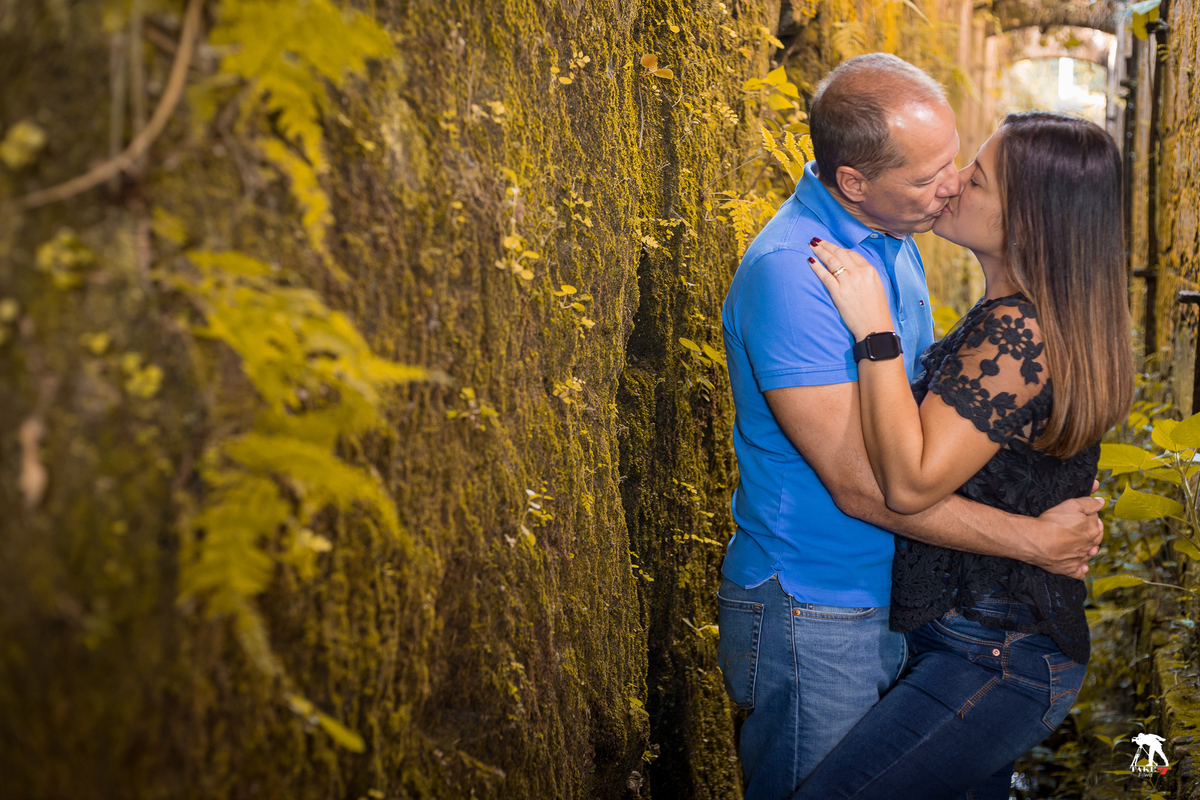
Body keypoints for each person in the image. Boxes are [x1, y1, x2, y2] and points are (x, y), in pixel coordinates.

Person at [716, 54, 1106, 800]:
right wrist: (1037, 540)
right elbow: (869, 488)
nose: (951, 186)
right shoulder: (797, 275)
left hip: (906, 607)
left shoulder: (896, 244)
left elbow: (939, 425)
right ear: (855, 182)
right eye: (929, 179)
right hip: (815, 600)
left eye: (958, 165)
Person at [795, 111, 1133, 799]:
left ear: (1029, 221)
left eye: (974, 180)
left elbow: (910, 480)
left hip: (994, 660)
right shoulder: (1034, 319)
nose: (950, 186)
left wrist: (874, 330)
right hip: (982, 648)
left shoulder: (1019, 333)